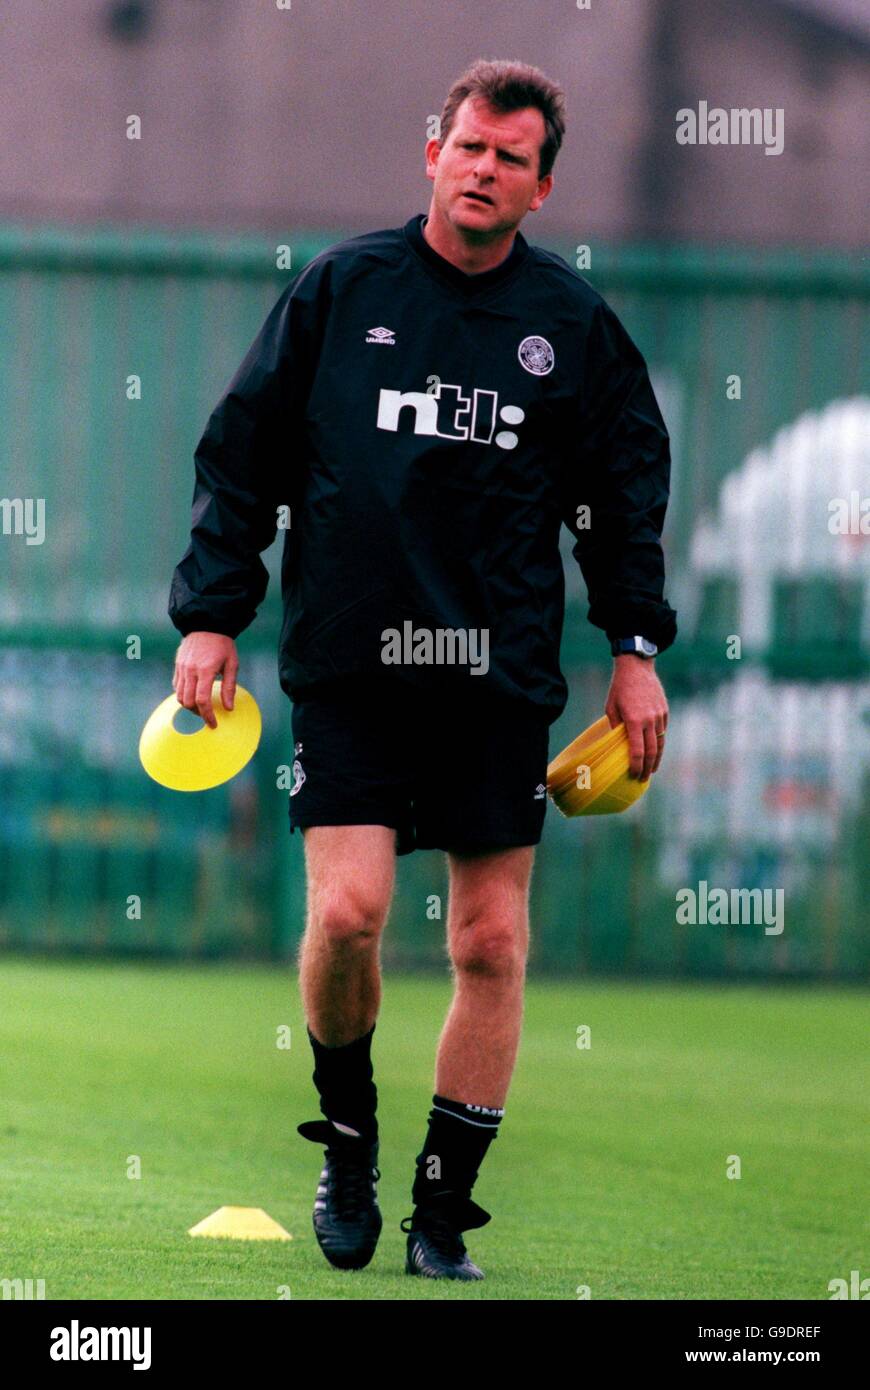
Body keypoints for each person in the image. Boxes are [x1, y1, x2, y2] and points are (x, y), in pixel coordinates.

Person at [169, 58, 676, 1282]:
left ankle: (443, 1215)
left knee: (492, 944)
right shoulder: (344, 289)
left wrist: (636, 647)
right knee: (348, 914)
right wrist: (210, 615)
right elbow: (243, 458)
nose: (483, 168)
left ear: (542, 187)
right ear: (432, 153)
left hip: (495, 677)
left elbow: (624, 497)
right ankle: (348, 1144)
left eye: (511, 157)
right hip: (351, 663)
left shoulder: (574, 326)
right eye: (469, 146)